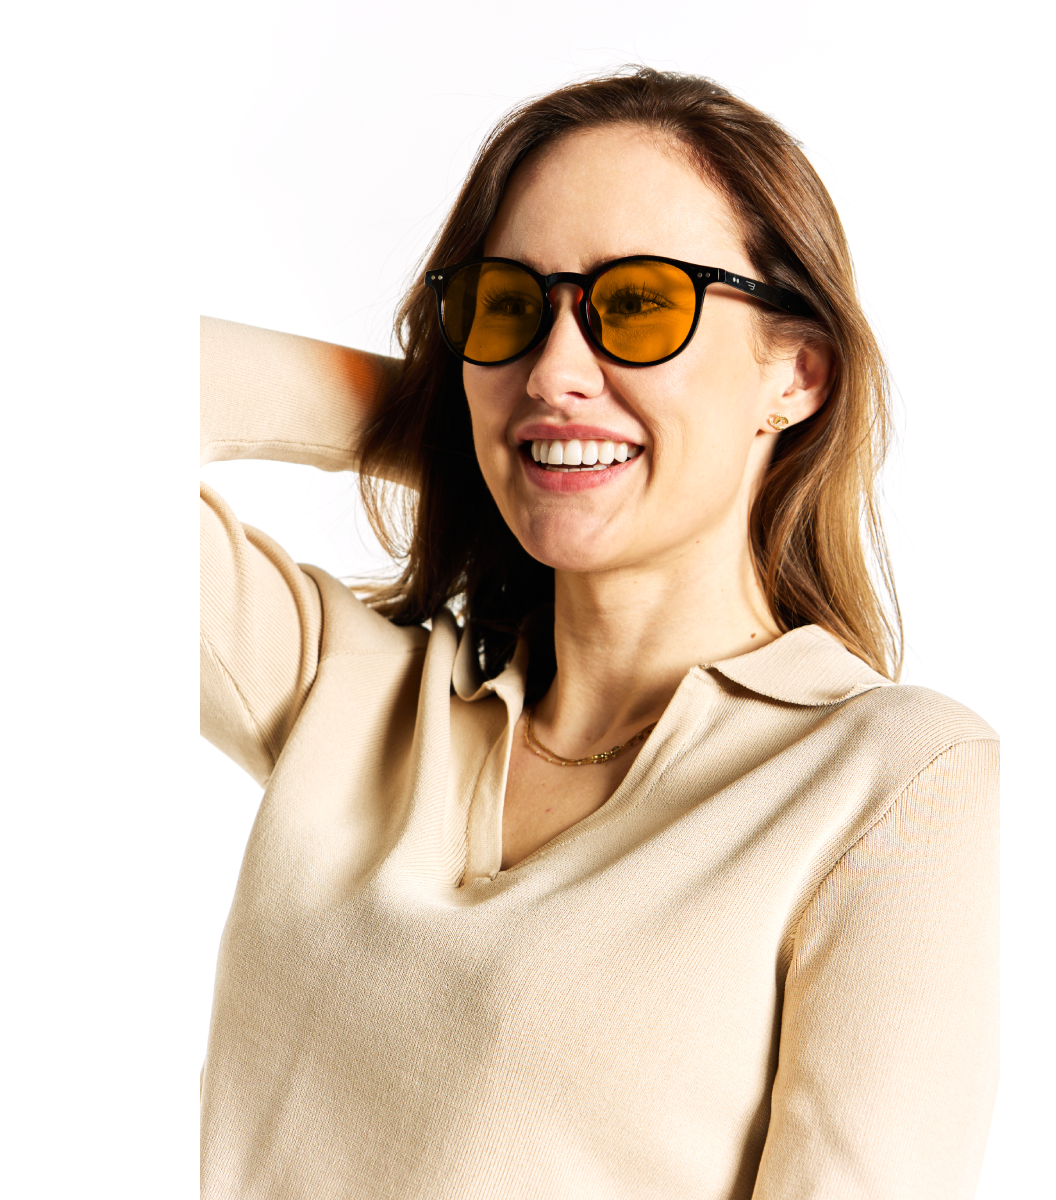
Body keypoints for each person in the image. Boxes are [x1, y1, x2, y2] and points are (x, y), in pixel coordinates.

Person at [200, 67, 999, 1199]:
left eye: (638, 306)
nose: (554, 369)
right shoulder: (346, 691)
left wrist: (556, 437)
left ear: (798, 372)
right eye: (506, 309)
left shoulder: (883, 778)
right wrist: (463, 429)